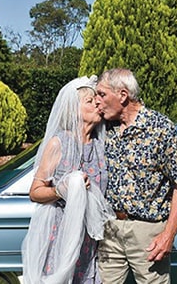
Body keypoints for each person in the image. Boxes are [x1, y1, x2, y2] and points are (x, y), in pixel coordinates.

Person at [95, 68, 177, 284]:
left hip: (147, 232)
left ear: (122, 95)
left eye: (102, 94)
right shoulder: (104, 127)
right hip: (109, 228)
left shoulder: (160, 129)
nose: (97, 101)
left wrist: (168, 235)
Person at [21, 76, 115, 284]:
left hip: (92, 240)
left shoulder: (102, 144)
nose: (97, 105)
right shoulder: (59, 144)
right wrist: (60, 190)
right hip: (62, 235)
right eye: (89, 101)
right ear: (73, 110)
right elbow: (35, 192)